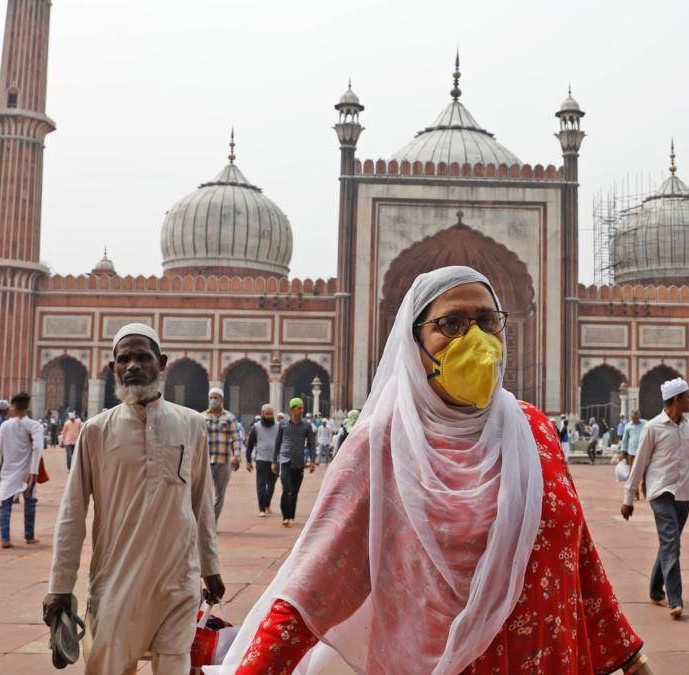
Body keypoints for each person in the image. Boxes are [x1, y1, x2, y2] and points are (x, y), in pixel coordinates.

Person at [214, 266, 651, 675]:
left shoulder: (532, 428)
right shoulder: (382, 444)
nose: (475, 338)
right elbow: (314, 587)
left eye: (486, 321)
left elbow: (576, 555)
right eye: (451, 324)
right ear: (413, 342)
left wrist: (631, 657)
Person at [44, 323, 223, 675]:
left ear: (162, 362)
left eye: (143, 357)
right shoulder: (96, 430)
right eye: (123, 359)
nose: (133, 366)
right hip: (117, 579)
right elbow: (72, 513)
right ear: (113, 368)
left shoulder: (191, 425)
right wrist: (59, 586)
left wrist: (210, 566)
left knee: (175, 664)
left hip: (178, 578)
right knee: (109, 666)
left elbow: (201, 503)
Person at [621, 377, 689, 619]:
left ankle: (656, 589)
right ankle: (675, 598)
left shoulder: (688, 427)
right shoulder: (653, 427)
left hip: (684, 493)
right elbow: (640, 462)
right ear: (677, 399)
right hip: (660, 491)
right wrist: (628, 497)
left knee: (670, 541)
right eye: (688, 396)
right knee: (671, 541)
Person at [0, 392, 45, 548]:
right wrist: (33, 472)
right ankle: (29, 536)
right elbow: (37, 450)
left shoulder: (6, 425)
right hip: (27, 473)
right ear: (28, 407)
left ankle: (5, 538)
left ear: (13, 407)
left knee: (6, 505)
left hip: (8, 471)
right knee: (29, 503)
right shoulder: (34, 425)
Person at [272, 397, 315, 527]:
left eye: (302, 408)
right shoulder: (283, 424)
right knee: (287, 489)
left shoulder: (307, 426)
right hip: (285, 460)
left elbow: (311, 444)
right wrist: (274, 461)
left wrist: (312, 461)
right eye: (299, 408)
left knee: (295, 491)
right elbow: (277, 443)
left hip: (299, 461)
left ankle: (291, 516)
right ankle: (285, 517)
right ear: (292, 410)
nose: (301, 411)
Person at [204, 388, 240, 523]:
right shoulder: (202, 417)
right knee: (203, 494)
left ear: (222, 400)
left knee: (219, 494)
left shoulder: (229, 418)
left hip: (223, 460)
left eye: (216, 397)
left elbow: (236, 438)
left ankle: (213, 521)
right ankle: (204, 520)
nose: (213, 400)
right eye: (211, 397)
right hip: (205, 461)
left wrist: (236, 456)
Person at [245, 404, 279, 517]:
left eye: (271, 414)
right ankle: (262, 509)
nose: (269, 416)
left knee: (272, 485)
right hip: (261, 459)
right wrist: (248, 461)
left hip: (275, 460)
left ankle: (267, 503)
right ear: (262, 414)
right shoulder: (256, 427)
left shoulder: (279, 426)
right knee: (261, 484)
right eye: (267, 414)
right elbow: (250, 445)